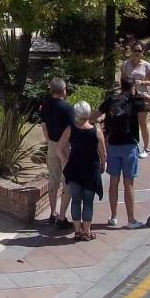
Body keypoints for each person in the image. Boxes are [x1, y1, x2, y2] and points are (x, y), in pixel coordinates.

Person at [98, 77, 150, 228]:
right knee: (128, 183)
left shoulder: (111, 100)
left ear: (121, 86)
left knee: (113, 182)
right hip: (130, 146)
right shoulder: (134, 101)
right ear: (132, 87)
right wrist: (141, 94)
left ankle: (113, 217)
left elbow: (94, 115)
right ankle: (131, 219)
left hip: (112, 145)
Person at [60, 101, 106, 241]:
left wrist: (66, 160)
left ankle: (77, 231)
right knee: (88, 202)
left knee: (75, 200)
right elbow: (103, 153)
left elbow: (59, 147)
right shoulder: (96, 132)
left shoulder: (70, 129)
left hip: (74, 169)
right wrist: (103, 164)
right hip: (91, 170)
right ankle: (87, 231)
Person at [39, 78, 75, 229]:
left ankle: (52, 213)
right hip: (65, 146)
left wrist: (49, 141)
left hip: (52, 145)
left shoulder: (46, 106)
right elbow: (72, 129)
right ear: (63, 90)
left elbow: (43, 124)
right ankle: (62, 216)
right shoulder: (68, 108)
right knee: (68, 180)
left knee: (53, 179)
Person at [121, 43, 150, 157]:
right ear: (131, 51)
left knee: (142, 124)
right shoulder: (126, 65)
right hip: (129, 97)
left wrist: (143, 82)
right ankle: (133, 145)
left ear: (142, 52)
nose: (137, 53)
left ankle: (146, 148)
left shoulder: (147, 65)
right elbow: (122, 80)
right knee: (130, 123)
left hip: (141, 96)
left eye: (139, 51)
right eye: (135, 50)